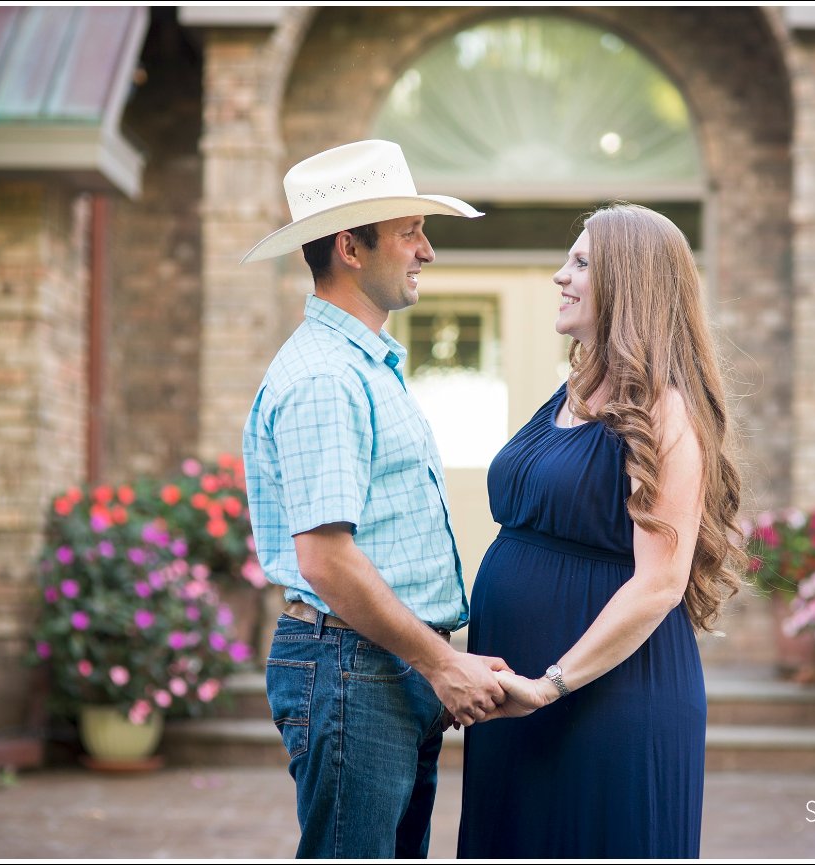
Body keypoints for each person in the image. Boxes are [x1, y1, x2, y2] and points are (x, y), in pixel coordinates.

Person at [240, 139, 509, 859]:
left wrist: (429, 662)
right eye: (409, 232)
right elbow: (326, 562)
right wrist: (441, 662)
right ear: (350, 248)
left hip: (379, 663)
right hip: (352, 664)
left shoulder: (366, 364)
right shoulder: (327, 377)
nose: (426, 251)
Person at [457, 203, 746, 859]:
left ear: (630, 283)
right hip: (518, 702)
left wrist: (549, 684)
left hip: (606, 698)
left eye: (581, 262)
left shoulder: (665, 411)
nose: (561, 275)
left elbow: (659, 584)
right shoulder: (570, 390)